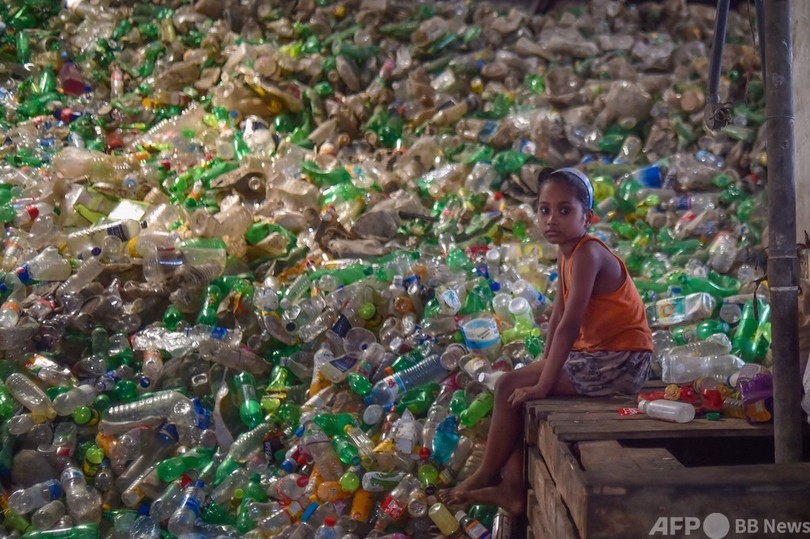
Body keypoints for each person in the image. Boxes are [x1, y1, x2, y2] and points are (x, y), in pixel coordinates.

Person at [439, 167, 653, 516]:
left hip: (621, 361)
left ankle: (486, 475)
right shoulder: (567, 252)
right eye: (544, 209)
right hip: (597, 355)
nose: (552, 219)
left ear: (588, 217)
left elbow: (570, 324)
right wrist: (543, 364)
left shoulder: (588, 253)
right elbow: (557, 316)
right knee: (511, 388)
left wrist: (543, 383)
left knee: (510, 386)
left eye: (564, 210)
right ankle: (511, 490)